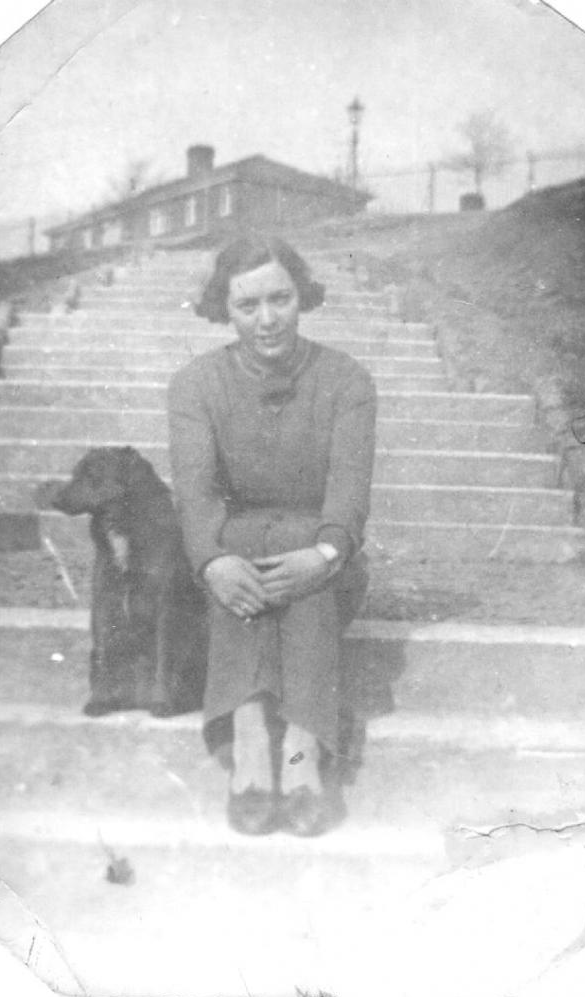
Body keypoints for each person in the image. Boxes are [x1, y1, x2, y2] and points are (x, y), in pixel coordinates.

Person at [167, 234, 384, 837]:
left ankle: (303, 757)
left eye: (280, 299)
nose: (267, 320)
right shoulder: (195, 385)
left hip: (322, 555)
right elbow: (197, 491)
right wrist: (211, 559)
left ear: (302, 297)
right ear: (225, 310)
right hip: (231, 552)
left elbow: (349, 492)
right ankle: (252, 743)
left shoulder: (346, 380)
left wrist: (326, 552)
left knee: (303, 576)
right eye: (247, 305)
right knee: (242, 566)